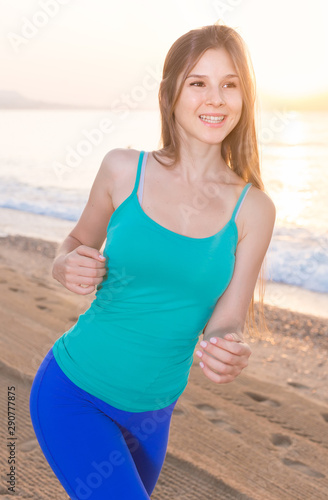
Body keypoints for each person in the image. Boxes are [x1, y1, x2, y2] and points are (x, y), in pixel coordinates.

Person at [29, 22, 276, 500]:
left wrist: (227, 349)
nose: (216, 98)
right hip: (74, 393)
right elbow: (76, 242)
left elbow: (227, 321)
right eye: (198, 82)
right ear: (169, 94)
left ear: (245, 98)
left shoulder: (255, 210)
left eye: (230, 84)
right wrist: (66, 265)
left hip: (153, 417)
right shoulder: (123, 169)